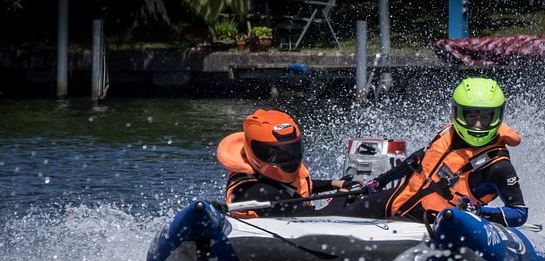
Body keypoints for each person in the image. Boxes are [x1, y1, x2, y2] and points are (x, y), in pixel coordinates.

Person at [320, 77, 529, 227]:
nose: (477, 124)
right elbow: (416, 159)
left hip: (434, 223)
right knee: (339, 219)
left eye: (485, 117)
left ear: (497, 117)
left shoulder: (499, 165)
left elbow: (519, 213)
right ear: (456, 113)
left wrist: (479, 211)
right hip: (399, 199)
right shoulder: (446, 133)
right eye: (471, 116)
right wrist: (380, 182)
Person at [215, 109, 357, 218]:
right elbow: (323, 216)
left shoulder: (267, 178)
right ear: (256, 152)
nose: (289, 158)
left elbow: (293, 187)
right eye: (279, 154)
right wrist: (344, 194)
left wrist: (333, 183)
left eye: (292, 149)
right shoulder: (260, 193)